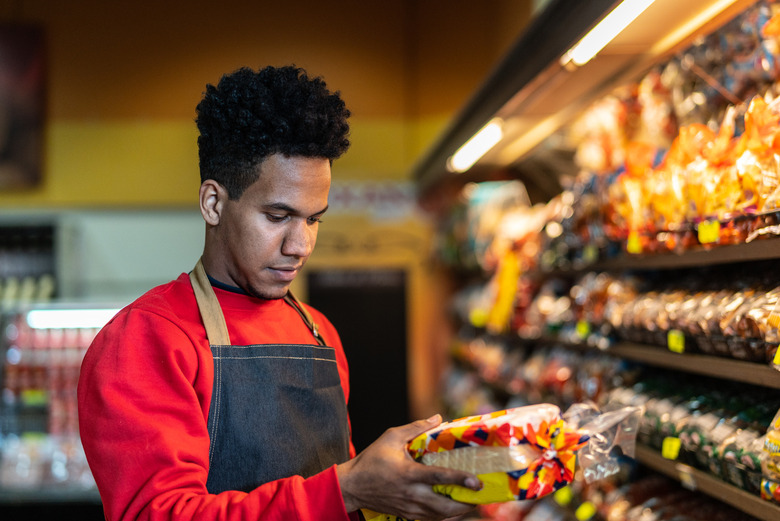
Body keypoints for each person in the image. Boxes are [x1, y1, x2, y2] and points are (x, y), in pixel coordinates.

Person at [77, 65, 481, 521]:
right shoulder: (146, 340)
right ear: (213, 203)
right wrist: (347, 489)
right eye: (277, 216)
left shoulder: (318, 333)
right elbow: (162, 514)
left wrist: (398, 495)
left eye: (314, 219)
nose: (300, 246)